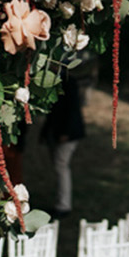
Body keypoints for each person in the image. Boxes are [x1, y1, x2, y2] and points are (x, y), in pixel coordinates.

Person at [41, 74, 86, 217]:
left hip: (66, 133)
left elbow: (72, 108)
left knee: (61, 166)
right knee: (59, 166)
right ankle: (61, 203)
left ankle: (63, 205)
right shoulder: (54, 80)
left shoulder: (68, 81)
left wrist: (66, 131)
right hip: (57, 131)